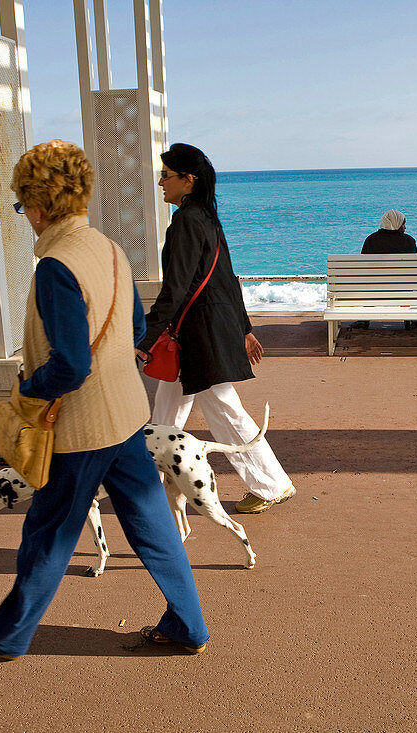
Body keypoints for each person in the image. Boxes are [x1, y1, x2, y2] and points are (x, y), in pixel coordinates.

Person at [0, 140, 209, 660]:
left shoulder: (55, 268)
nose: (25, 217)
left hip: (81, 429)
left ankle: (4, 636)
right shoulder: (108, 249)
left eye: (22, 207)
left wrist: (27, 390)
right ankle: (189, 626)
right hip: (127, 415)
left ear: (38, 206)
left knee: (48, 533)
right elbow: (133, 327)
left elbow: (70, 365)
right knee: (152, 525)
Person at [136, 143, 295, 516]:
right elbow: (226, 278)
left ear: (187, 180)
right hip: (201, 332)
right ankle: (146, 486)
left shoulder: (188, 222)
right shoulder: (206, 217)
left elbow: (176, 288)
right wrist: (244, 327)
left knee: (223, 410)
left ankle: (271, 484)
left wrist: (142, 340)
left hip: (198, 336)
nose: (160, 182)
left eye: (166, 175)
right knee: (166, 414)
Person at [357, 210, 417, 330]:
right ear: (396, 224)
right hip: (403, 291)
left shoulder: (371, 240)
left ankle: (364, 319)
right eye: (403, 224)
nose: (404, 227)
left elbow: (363, 269)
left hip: (374, 291)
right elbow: (414, 270)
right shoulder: (409, 241)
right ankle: (415, 319)